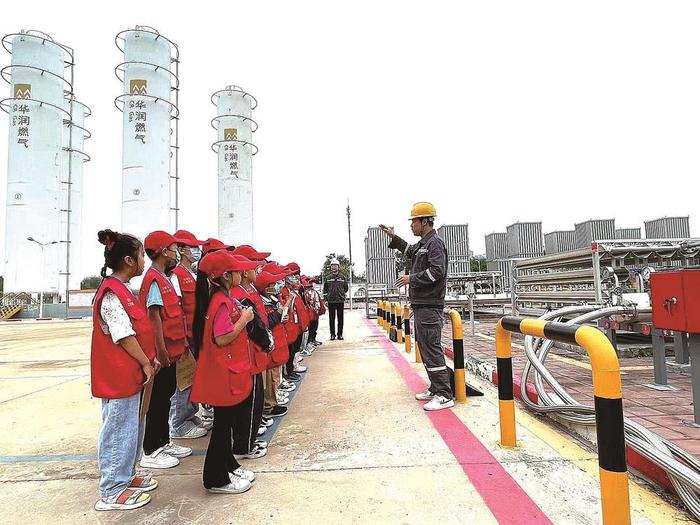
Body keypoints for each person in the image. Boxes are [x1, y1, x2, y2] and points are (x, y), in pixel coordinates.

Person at [91, 229, 157, 511]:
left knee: (133, 427)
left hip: (132, 375)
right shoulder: (110, 293)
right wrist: (144, 360)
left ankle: (126, 476)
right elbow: (123, 334)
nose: (145, 260)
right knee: (118, 429)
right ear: (129, 260)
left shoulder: (124, 289)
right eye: (142, 255)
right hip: (118, 376)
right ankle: (111, 489)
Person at [190, 250, 257, 494]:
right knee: (221, 428)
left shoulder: (222, 297)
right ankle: (215, 478)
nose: (241, 273)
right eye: (237, 271)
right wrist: (245, 319)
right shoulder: (220, 302)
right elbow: (221, 337)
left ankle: (228, 464)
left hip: (228, 371)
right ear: (227, 276)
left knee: (225, 426)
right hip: (223, 374)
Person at [379, 202, 453, 411]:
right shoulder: (423, 244)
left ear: (426, 221)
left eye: (414, 222)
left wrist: (412, 278)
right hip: (422, 304)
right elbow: (408, 250)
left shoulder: (435, 244)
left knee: (431, 347)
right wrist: (393, 237)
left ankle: (444, 394)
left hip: (430, 304)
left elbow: (437, 271)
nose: (412, 226)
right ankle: (436, 387)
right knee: (425, 346)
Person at [138, 231, 192, 468]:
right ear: (162, 252)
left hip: (173, 351)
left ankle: (163, 440)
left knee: (167, 397)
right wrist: (160, 352)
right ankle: (151, 449)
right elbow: (154, 317)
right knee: (158, 401)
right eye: (173, 248)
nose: (176, 253)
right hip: (163, 354)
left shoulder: (165, 278)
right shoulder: (153, 279)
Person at [169, 229, 210, 439]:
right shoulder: (176, 276)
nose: (197, 251)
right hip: (186, 338)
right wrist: (183, 338)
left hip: (195, 335)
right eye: (193, 247)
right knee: (183, 381)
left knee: (192, 379)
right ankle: (178, 423)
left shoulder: (191, 275)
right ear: (183, 250)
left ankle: (190, 414)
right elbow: (177, 309)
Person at [255, 270, 291, 420]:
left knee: (275, 375)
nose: (276, 286)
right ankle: (269, 405)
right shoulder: (262, 303)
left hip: (278, 343)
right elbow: (266, 323)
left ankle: (273, 400)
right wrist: (278, 314)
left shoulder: (272, 299)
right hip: (271, 345)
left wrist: (283, 316)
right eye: (273, 284)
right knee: (271, 377)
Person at [323, 258, 348, 340]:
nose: (334, 267)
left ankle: (340, 334)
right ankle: (332, 334)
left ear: (338, 267)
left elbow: (346, 288)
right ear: (330, 267)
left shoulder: (343, 277)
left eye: (335, 266)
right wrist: (326, 300)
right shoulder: (328, 278)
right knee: (331, 318)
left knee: (340, 318)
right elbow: (325, 290)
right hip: (331, 301)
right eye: (332, 266)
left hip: (340, 300)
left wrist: (341, 294)